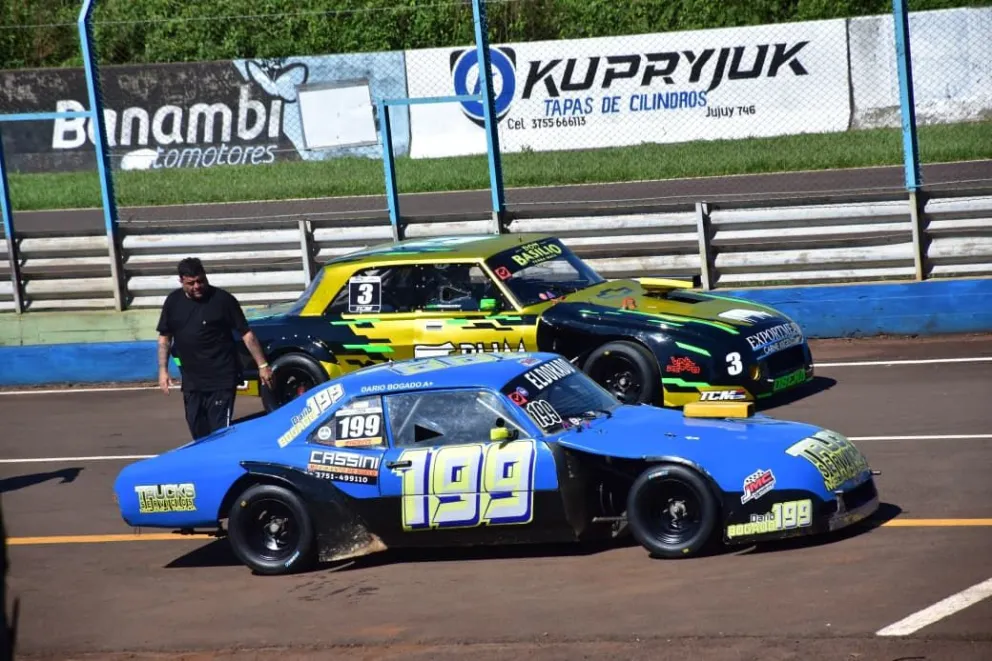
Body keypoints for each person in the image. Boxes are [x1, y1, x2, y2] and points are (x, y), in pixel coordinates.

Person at [156, 257, 274, 440]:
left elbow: (247, 334)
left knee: (218, 433)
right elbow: (165, 337)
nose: (197, 286)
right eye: (191, 283)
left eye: (200, 281)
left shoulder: (223, 300)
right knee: (197, 429)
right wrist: (163, 370)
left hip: (221, 378)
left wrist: (262, 365)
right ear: (181, 281)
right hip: (192, 381)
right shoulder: (173, 302)